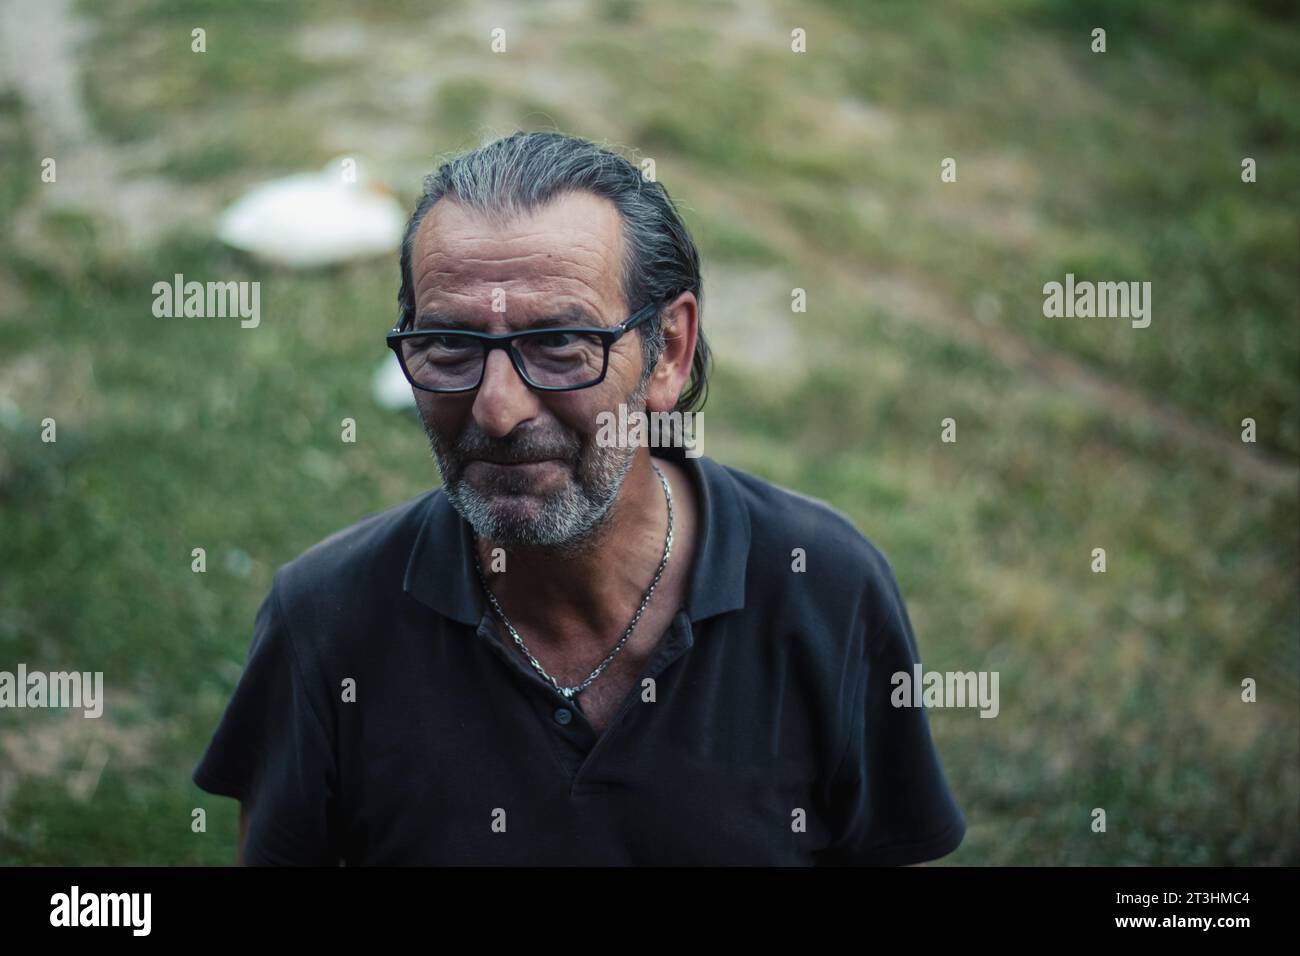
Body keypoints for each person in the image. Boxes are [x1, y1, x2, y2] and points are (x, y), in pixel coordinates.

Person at [192, 131, 966, 866]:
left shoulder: (824, 587)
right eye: (451, 345)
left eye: (560, 344)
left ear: (668, 353)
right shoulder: (325, 621)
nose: (497, 410)